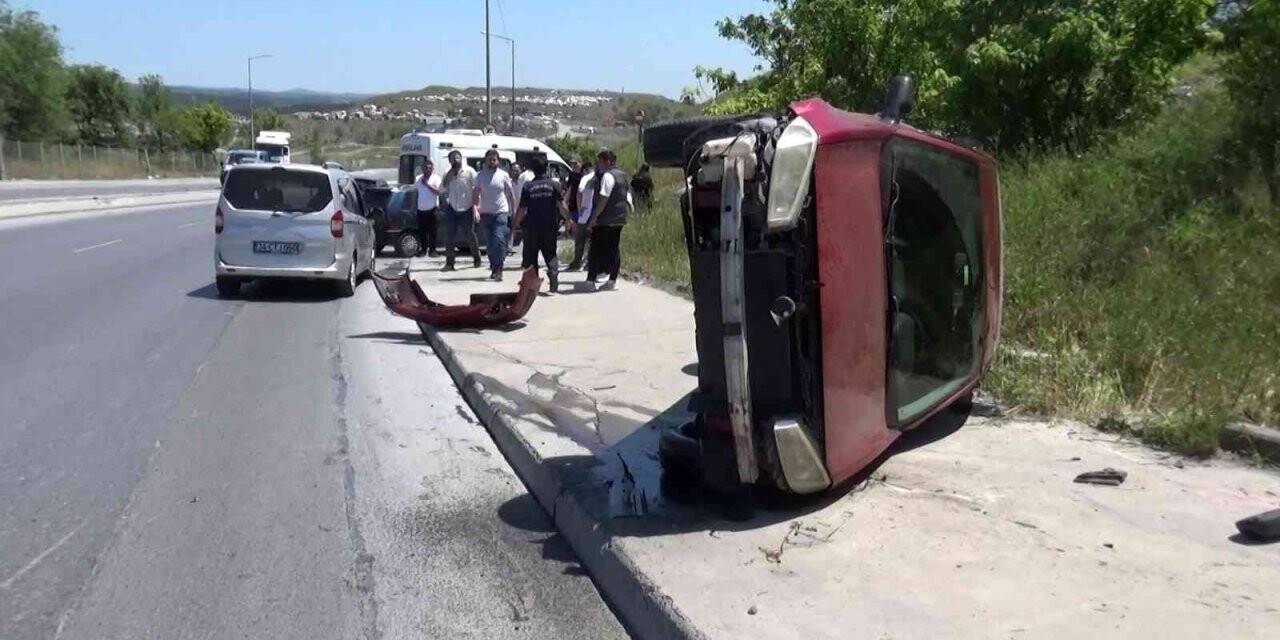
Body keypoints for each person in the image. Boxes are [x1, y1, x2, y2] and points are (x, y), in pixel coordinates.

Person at [514, 157, 573, 292]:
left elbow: (522, 209)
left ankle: (532, 285)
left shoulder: (528, 186)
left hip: (531, 227)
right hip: (550, 226)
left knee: (531, 256)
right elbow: (562, 205)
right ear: (547, 168)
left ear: (533, 171)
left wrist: (516, 224)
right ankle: (553, 274)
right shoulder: (554, 185)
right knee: (550, 254)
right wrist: (568, 220)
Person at [585, 149, 631, 290]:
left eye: (600, 162)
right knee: (613, 249)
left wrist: (594, 218)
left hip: (605, 220)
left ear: (608, 162)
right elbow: (627, 196)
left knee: (596, 249)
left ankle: (591, 280)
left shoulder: (608, 176)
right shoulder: (623, 176)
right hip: (619, 219)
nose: (598, 165)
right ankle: (612, 281)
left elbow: (603, 198)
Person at [471, 148, 518, 281]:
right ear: (485, 161)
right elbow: (475, 194)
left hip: (501, 213)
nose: (492, 162)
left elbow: (511, 195)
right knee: (490, 244)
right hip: (486, 214)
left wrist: (513, 211)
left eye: (494, 159)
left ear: (498, 161)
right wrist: (475, 210)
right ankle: (494, 266)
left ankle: (499, 268)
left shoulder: (503, 175)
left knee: (498, 240)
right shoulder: (480, 176)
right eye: (490, 160)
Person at [440, 150, 481, 271]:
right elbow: (443, 187)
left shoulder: (469, 171)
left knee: (470, 235)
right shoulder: (447, 173)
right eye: (453, 158)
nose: (456, 160)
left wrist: (476, 208)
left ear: (461, 158)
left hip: (467, 208)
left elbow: (477, 189)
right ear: (449, 161)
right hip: (452, 208)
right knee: (449, 237)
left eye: (457, 158)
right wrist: (450, 174)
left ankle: (476, 257)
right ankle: (450, 263)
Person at [566, 162, 595, 271]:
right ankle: (589, 263)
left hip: (584, 213)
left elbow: (579, 192)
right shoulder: (599, 178)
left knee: (580, 240)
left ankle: (577, 262)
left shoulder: (585, 178)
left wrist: (579, 208)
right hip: (595, 214)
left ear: (585, 170)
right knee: (591, 240)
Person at [413, 159, 442, 257]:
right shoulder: (418, 179)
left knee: (433, 231)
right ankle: (423, 250)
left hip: (433, 209)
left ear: (432, 169)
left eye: (430, 168)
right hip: (421, 209)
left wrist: (427, 184)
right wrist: (414, 206)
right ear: (422, 168)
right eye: (426, 167)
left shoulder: (436, 178)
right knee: (422, 231)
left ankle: (433, 250)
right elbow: (416, 193)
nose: (428, 169)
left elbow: (438, 191)